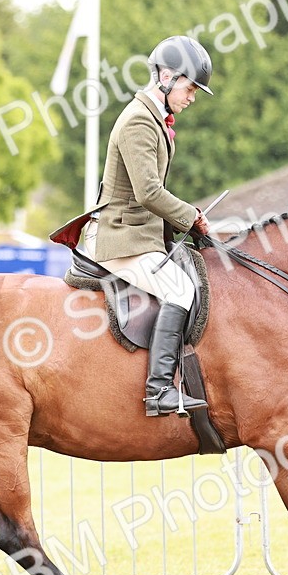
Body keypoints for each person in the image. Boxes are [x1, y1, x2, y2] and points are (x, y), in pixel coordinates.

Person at [68, 35, 215, 417]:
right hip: (121, 237)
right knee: (180, 291)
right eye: (189, 87)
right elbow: (149, 192)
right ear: (167, 76)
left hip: (140, 234)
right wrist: (191, 216)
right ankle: (159, 390)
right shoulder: (138, 121)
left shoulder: (153, 118)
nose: (192, 97)